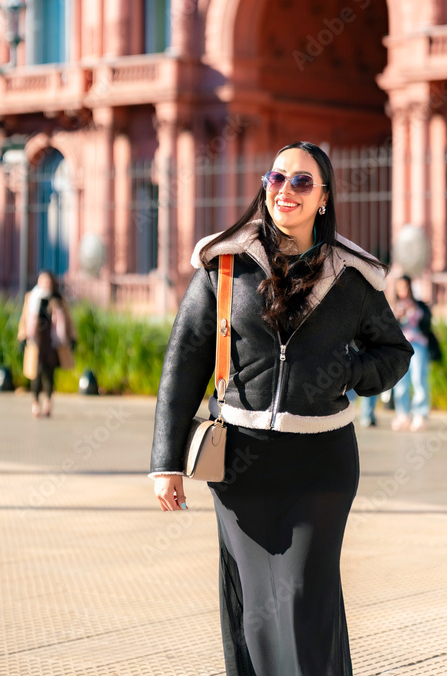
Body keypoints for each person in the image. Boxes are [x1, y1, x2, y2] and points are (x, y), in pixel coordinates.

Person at [149, 141, 413, 675]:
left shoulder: (354, 277)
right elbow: (184, 362)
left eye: (301, 181)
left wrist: (349, 371)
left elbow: (395, 352)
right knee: (258, 614)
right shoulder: (225, 266)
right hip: (242, 464)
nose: (285, 190)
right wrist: (166, 462)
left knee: (302, 604)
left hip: (322, 464)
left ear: (323, 197)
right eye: (276, 178)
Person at [17, 270, 76, 418]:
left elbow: (68, 320)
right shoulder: (32, 298)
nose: (45, 284)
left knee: (49, 373)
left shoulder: (57, 299)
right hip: (36, 341)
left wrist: (73, 338)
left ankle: (48, 402)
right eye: (42, 281)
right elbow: (24, 318)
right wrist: (22, 337)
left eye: (47, 281)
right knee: (35, 373)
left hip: (52, 342)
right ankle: (35, 403)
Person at [391, 275, 431, 432]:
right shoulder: (395, 306)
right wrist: (397, 317)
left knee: (419, 379)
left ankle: (420, 414)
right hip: (402, 347)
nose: (404, 291)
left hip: (418, 345)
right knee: (401, 382)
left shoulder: (419, 305)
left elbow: (427, 322)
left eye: (406, 287)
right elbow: (389, 328)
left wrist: (416, 311)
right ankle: (403, 414)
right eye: (400, 288)